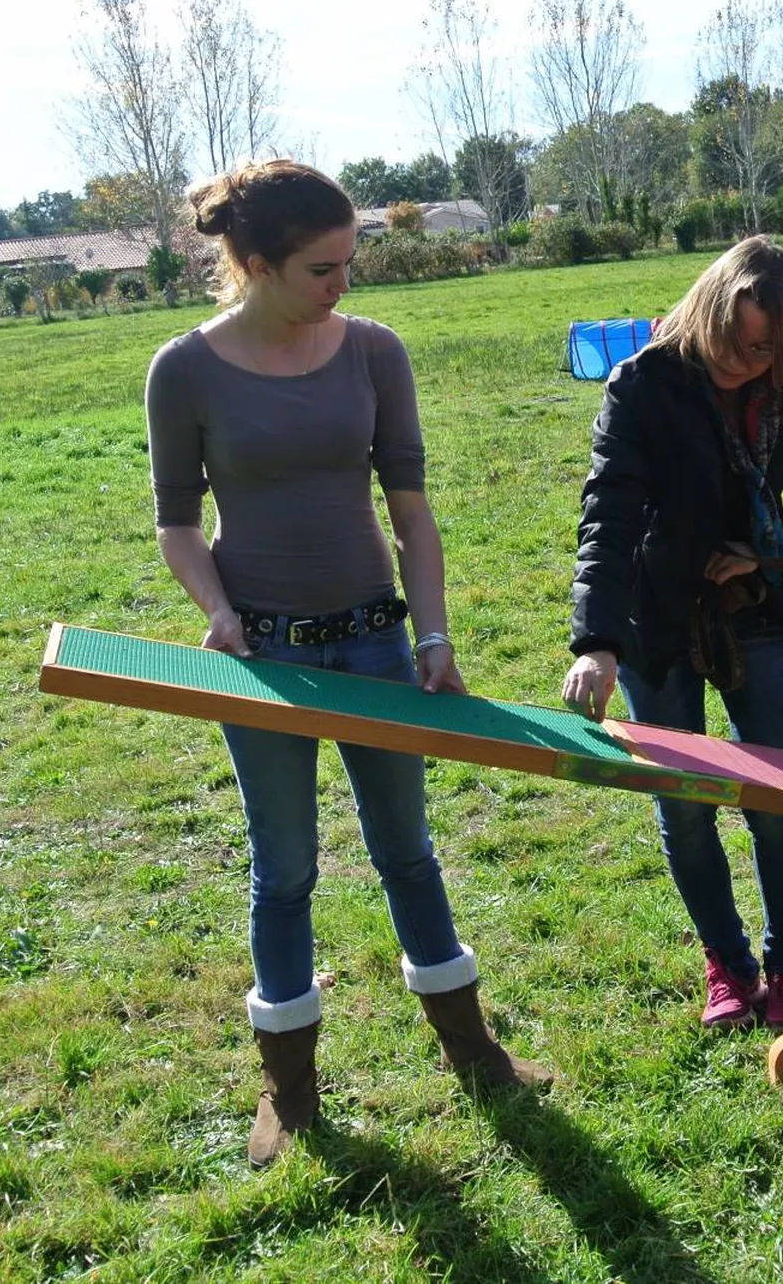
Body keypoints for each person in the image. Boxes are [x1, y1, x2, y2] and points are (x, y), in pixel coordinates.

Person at [145, 159, 548, 1169]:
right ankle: (290, 1090)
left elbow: (410, 509)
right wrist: (221, 613)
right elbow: (178, 526)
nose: (343, 284)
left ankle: (474, 1053)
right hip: (264, 653)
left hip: (373, 636)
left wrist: (434, 635)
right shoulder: (183, 370)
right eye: (322, 268)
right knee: (282, 871)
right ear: (252, 263)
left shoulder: (375, 352)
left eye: (348, 262)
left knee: (406, 848)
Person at [563, 236, 783, 1033]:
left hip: (759, 611)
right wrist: (597, 641)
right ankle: (728, 962)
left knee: (774, 801)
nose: (756, 364)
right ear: (715, 310)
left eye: (772, 352)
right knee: (683, 804)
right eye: (746, 346)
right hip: (656, 619)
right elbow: (608, 512)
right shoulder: (642, 385)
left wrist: (770, 544)